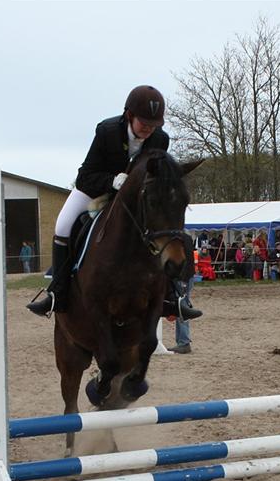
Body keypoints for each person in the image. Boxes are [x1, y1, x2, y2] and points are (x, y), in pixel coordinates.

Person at [27, 85, 202, 321]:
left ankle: (171, 297)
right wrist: (112, 181)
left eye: (153, 124)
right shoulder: (107, 132)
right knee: (63, 224)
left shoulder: (160, 139)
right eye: (144, 123)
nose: (149, 129)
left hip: (134, 198)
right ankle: (58, 292)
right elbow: (85, 177)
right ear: (129, 115)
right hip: (96, 190)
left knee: (160, 230)